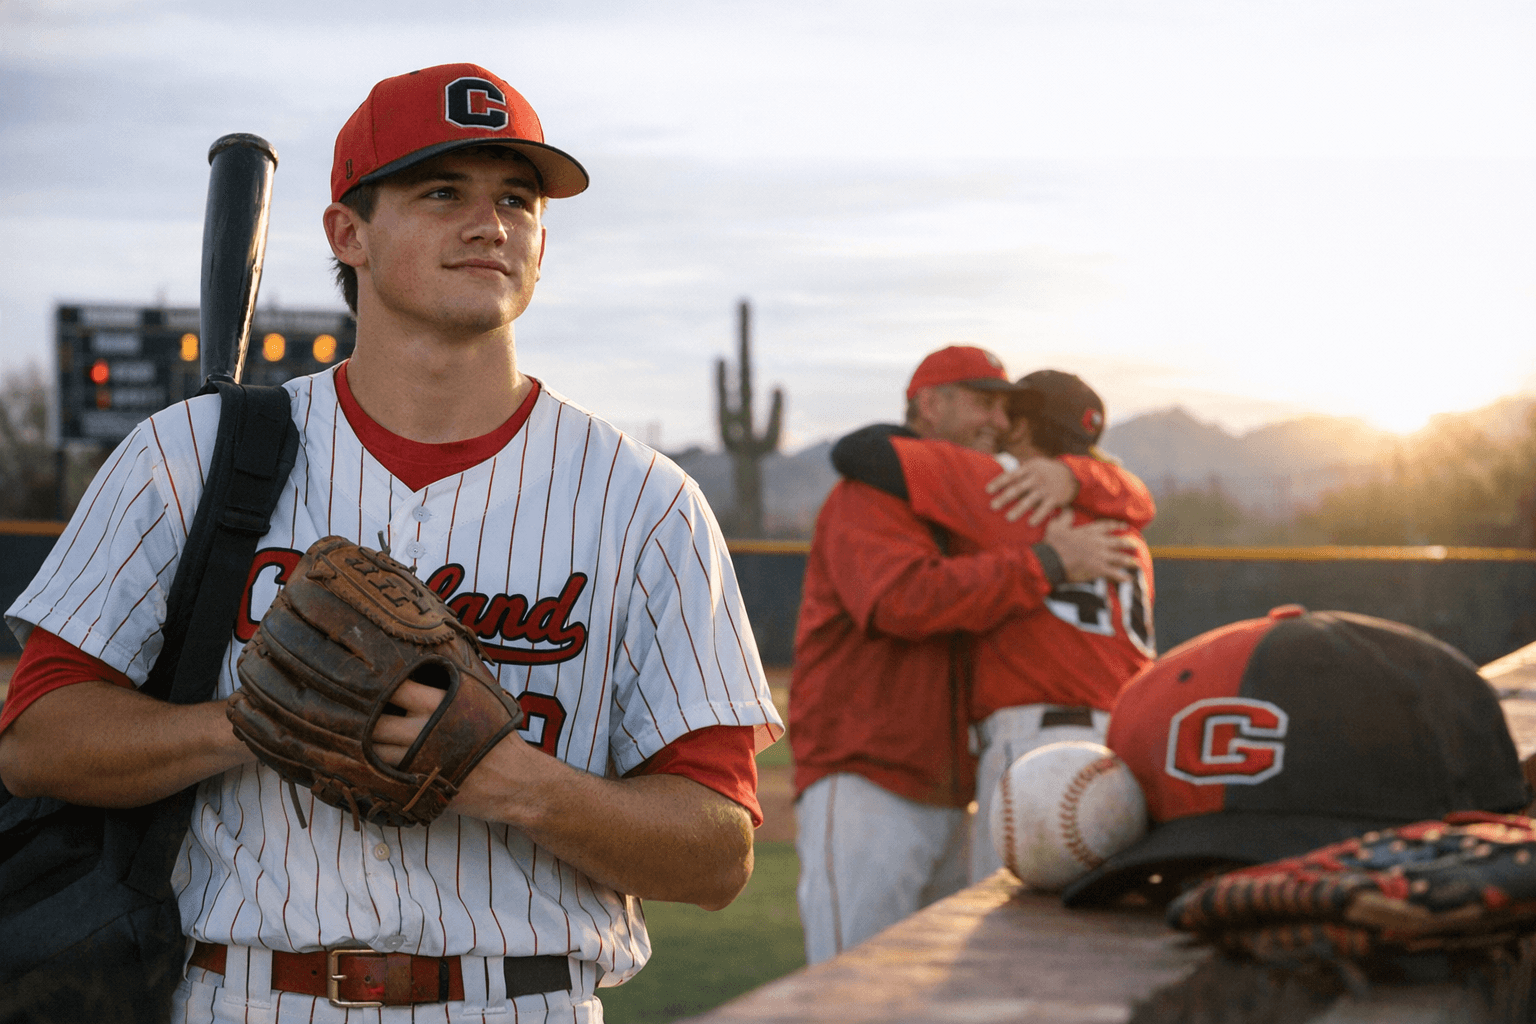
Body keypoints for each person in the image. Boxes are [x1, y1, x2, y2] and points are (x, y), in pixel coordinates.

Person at [0, 63, 781, 1023]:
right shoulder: (187, 456)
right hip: (242, 993)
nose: (490, 223)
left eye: (517, 199)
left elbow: (716, 852)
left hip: (518, 998)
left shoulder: (647, 503)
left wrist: (513, 784)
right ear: (347, 232)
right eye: (442, 191)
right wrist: (253, 725)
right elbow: (37, 741)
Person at [789, 346, 1140, 964]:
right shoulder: (867, 494)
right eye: (983, 402)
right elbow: (901, 600)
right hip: (869, 770)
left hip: (955, 782)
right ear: (930, 403)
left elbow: (1125, 495)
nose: (998, 423)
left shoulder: (990, 501)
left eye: (1007, 409)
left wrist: (1079, 476)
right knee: (854, 990)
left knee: (948, 987)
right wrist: (1051, 555)